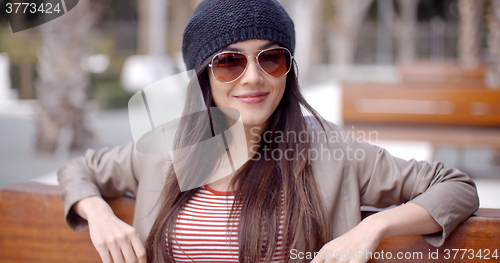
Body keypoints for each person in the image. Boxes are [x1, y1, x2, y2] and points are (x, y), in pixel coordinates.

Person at [57, 0, 480, 262]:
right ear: (204, 76)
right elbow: (80, 169)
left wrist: (373, 228)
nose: (253, 78)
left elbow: (455, 186)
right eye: (229, 61)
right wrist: (97, 213)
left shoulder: (327, 149)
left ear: (288, 68)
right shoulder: (170, 147)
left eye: (270, 58)